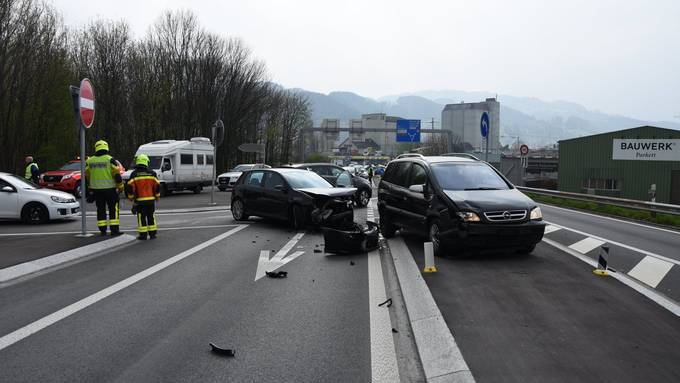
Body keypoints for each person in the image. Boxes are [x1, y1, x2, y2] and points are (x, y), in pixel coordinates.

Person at [85, 140, 124, 236]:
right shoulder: (110, 159)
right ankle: (114, 230)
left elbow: (87, 176)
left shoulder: (89, 161)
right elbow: (117, 176)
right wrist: (121, 187)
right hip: (110, 189)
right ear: (106, 148)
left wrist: (90, 189)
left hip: (97, 190)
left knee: (100, 209)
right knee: (113, 209)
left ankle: (102, 230)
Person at [126, 154, 160, 240]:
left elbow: (130, 187)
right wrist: (157, 196)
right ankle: (153, 234)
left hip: (139, 201)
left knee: (141, 217)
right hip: (151, 200)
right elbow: (157, 186)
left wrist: (131, 197)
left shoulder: (134, 174)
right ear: (146, 162)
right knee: (151, 216)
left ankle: (143, 235)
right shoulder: (152, 173)